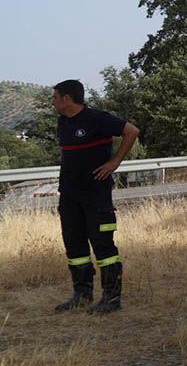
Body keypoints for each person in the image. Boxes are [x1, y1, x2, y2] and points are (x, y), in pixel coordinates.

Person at [51, 79, 140, 315]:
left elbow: (131, 131)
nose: (53, 102)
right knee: (74, 244)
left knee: (103, 246)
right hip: (69, 196)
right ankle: (82, 294)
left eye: (55, 98)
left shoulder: (97, 118)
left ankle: (111, 298)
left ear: (67, 98)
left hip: (95, 196)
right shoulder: (63, 122)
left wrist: (115, 162)